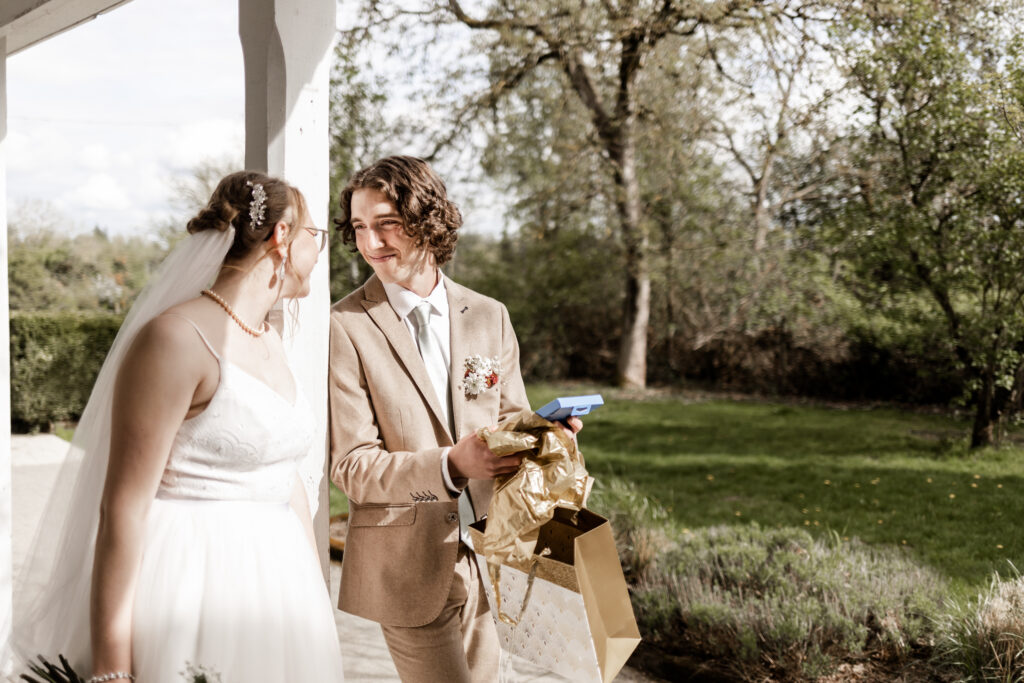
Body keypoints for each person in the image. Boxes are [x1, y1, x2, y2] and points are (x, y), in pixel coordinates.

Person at [12, 171, 344, 682]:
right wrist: (110, 667)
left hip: (280, 593)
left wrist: (314, 600)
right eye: (314, 237)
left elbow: (285, 478)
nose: (320, 252)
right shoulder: (175, 339)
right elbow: (122, 506)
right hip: (192, 585)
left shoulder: (270, 339)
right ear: (281, 238)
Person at [328, 156, 580, 682]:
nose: (371, 243)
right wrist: (450, 464)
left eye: (387, 224)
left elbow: (507, 418)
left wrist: (541, 436)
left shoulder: (490, 315)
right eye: (359, 228)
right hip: (404, 564)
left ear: (427, 221)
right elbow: (352, 466)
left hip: (490, 554)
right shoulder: (344, 327)